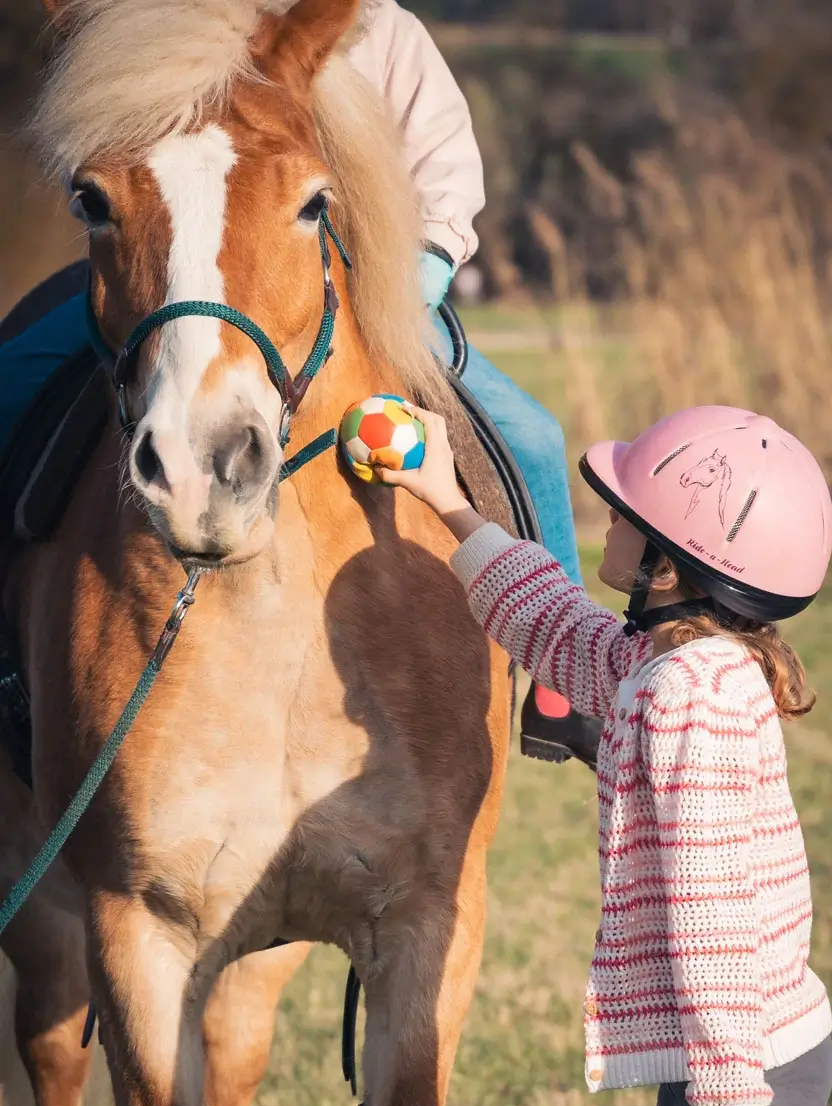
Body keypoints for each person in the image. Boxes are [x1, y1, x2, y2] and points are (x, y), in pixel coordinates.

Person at [0, 0, 596, 768]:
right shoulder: (159, 29)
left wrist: (415, 283)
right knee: (13, 387)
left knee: (533, 437)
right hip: (180, 280)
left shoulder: (383, 33)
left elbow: (446, 173)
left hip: (368, 292)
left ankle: (565, 681)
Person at [383, 400, 832, 1106]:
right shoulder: (661, 664)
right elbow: (556, 626)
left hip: (744, 1065)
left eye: (626, 514)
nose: (606, 520)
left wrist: (728, 1088)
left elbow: (712, 909)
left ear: (667, 562)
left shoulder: (693, 697)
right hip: (716, 1049)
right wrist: (447, 499)